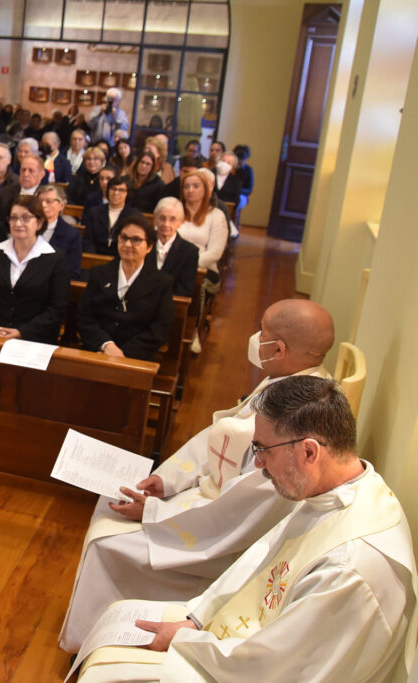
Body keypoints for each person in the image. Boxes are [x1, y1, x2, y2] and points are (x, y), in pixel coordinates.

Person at [72, 377, 415, 683]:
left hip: (261, 669)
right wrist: (197, 618)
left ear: (310, 451)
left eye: (263, 449)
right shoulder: (333, 494)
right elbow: (260, 561)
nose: (259, 463)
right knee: (116, 619)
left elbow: (276, 669)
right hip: (255, 646)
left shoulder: (350, 569)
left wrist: (184, 641)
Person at [58, 299, 335, 656]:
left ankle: (100, 642)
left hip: (221, 529)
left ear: (279, 349)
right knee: (108, 505)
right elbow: (223, 436)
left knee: (106, 544)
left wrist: (155, 514)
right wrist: (169, 479)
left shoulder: (296, 420)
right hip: (211, 500)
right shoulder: (291, 381)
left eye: (262, 332)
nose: (255, 338)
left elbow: (247, 505)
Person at [0, 195, 69, 343]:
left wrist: (22, 333)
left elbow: (57, 308)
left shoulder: (55, 258)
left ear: (40, 222)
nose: (18, 223)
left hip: (34, 340)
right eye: (13, 217)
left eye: (26, 218)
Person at [77, 213, 173, 360]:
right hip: (97, 351)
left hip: (137, 357)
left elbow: (160, 330)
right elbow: (85, 317)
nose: (127, 244)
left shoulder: (161, 283)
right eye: (124, 238)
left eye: (136, 240)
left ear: (149, 247)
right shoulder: (99, 274)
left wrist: (123, 355)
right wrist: (106, 345)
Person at [145, 197, 199, 298]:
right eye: (162, 218)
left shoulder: (190, 252)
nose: (166, 224)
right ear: (155, 219)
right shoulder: (143, 243)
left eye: (173, 219)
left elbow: (185, 290)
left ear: (181, 222)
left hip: (170, 305)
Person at [180, 168, 228, 277]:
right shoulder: (174, 211)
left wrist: (187, 265)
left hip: (202, 268)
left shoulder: (216, 215)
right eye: (186, 187)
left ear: (205, 189)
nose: (190, 190)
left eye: (196, 186)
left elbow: (215, 252)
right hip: (172, 266)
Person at [82, 175, 141, 256]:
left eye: (121, 190)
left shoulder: (134, 216)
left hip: (122, 258)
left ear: (128, 193)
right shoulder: (94, 212)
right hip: (95, 257)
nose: (116, 193)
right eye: (113, 189)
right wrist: (94, 258)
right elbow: (88, 241)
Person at [36, 184, 82, 280]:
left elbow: (72, 272)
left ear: (61, 206)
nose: (43, 205)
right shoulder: (28, 228)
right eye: (40, 201)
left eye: (48, 201)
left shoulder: (71, 234)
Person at [233, 144, 254, 211]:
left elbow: (249, 190)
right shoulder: (230, 168)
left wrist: (237, 191)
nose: (239, 161)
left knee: (238, 200)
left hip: (241, 195)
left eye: (241, 160)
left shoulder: (248, 170)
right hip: (228, 193)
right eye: (237, 159)